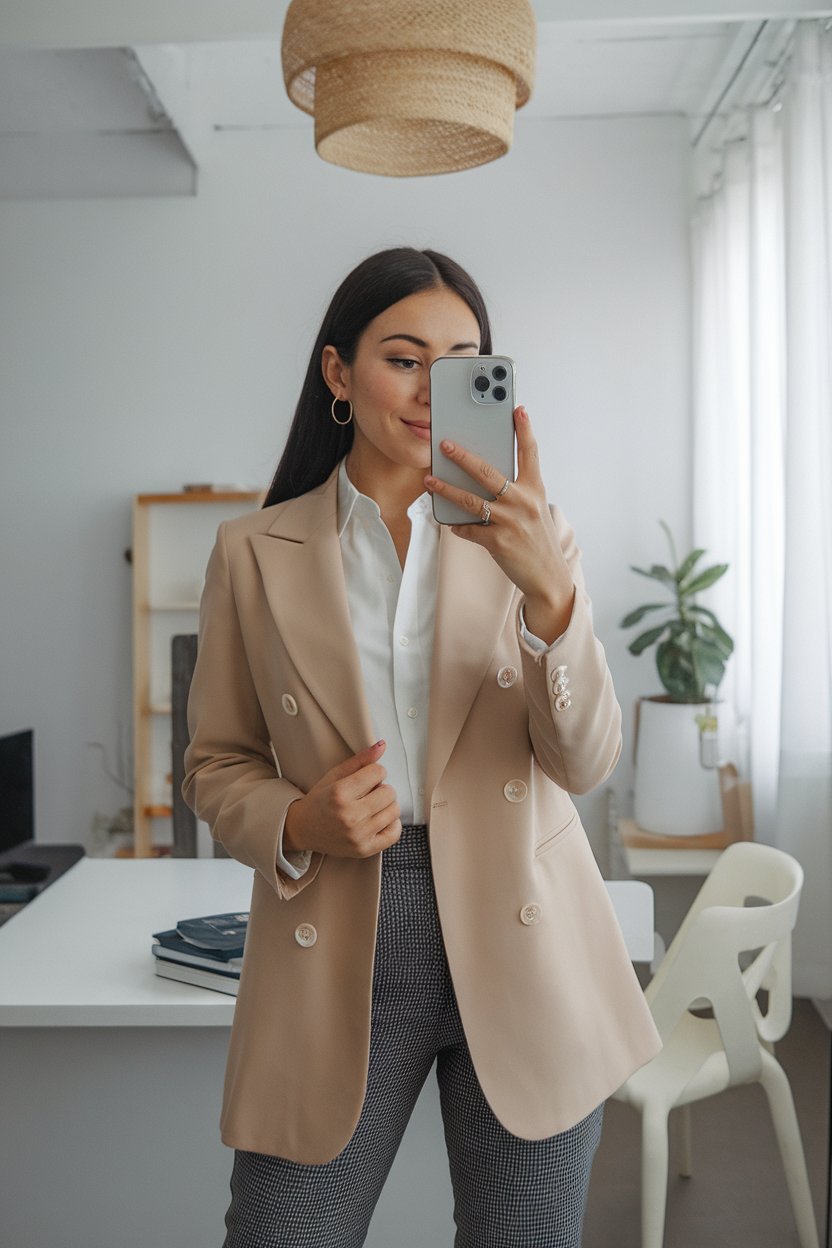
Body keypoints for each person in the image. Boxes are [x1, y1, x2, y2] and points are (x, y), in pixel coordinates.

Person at [183, 246, 661, 1248]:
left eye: (463, 361)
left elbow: (583, 762)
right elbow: (216, 762)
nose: (433, 389)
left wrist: (548, 599)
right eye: (404, 358)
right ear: (337, 375)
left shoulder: (536, 537)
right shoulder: (251, 552)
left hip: (526, 936)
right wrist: (297, 816)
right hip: (343, 926)